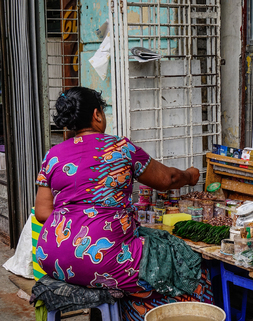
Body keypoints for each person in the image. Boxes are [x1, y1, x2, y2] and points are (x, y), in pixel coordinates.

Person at [34, 87, 212, 320]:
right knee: (187, 266)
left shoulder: (53, 155)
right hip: (102, 261)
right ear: (97, 115)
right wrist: (190, 175)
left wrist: (78, 215)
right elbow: (167, 180)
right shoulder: (120, 148)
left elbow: (42, 213)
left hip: (51, 257)